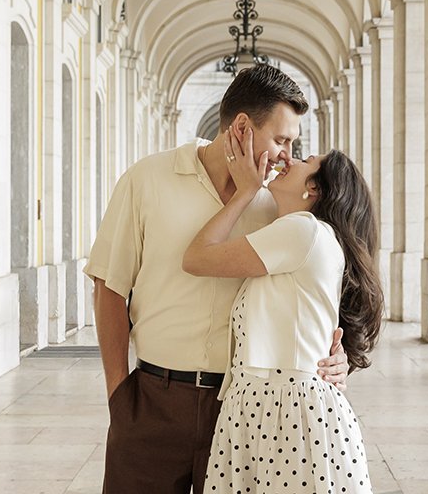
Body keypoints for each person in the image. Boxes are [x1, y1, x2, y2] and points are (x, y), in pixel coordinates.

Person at [86, 64, 351, 494]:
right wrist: (120, 396)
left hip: (242, 414)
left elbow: (318, 293)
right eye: (282, 139)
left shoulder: (280, 208)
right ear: (243, 127)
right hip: (153, 400)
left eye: (293, 145)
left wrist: (336, 359)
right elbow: (109, 285)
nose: (288, 155)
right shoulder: (147, 179)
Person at [184, 128, 383, 494]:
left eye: (306, 161)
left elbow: (197, 258)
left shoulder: (302, 230)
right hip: (272, 408)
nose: (289, 159)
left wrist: (245, 191)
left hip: (284, 413)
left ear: (315, 190)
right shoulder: (303, 235)